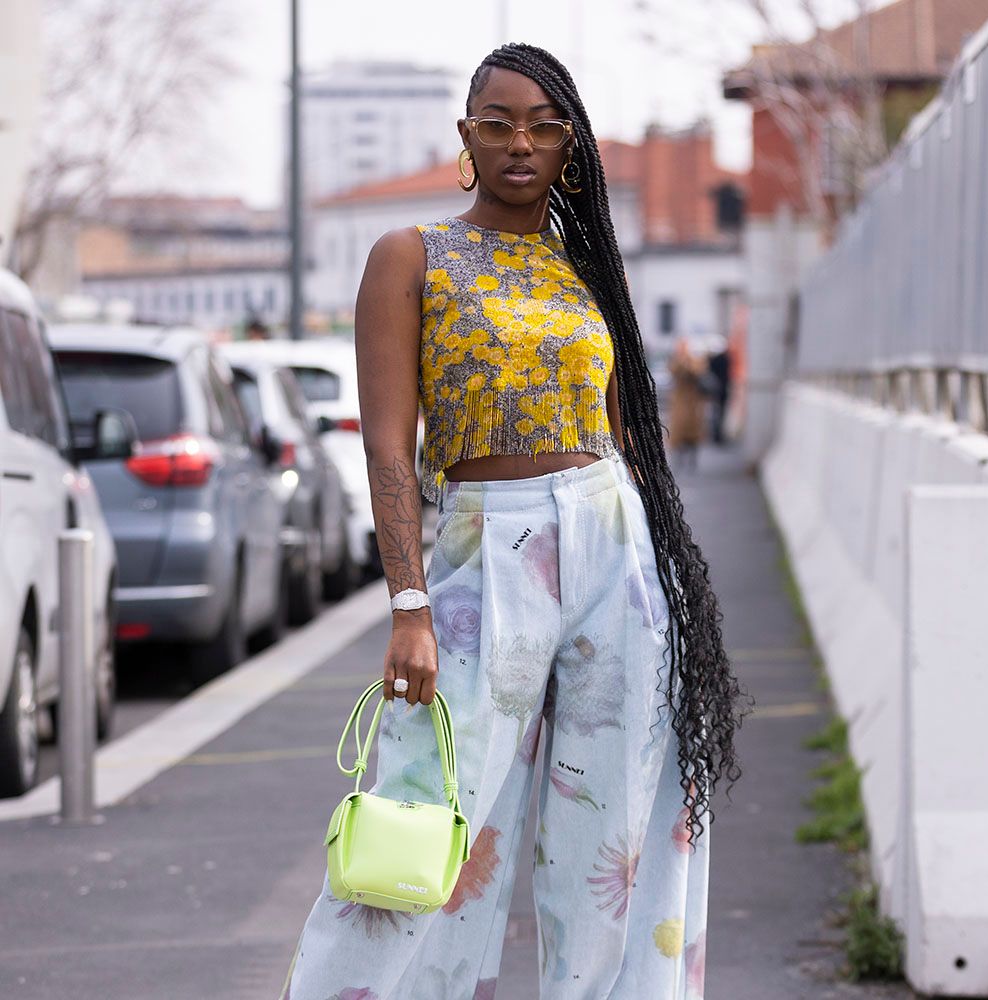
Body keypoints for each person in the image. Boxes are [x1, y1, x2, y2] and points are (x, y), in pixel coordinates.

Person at [280, 43, 748, 1000]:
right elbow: (388, 447)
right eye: (498, 125)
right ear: (467, 137)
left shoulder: (591, 270)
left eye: (543, 126)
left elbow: (624, 434)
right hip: (483, 544)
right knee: (423, 820)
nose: (521, 144)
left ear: (570, 143)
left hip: (613, 544)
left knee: (616, 840)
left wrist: (666, 578)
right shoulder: (410, 256)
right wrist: (408, 603)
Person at [666, 337, 710, 472]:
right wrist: (682, 360)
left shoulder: (695, 360)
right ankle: (679, 458)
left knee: (694, 432)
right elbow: (673, 370)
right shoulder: (676, 360)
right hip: (679, 401)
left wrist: (688, 361)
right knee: (678, 432)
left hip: (693, 402)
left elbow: (698, 371)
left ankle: (692, 459)